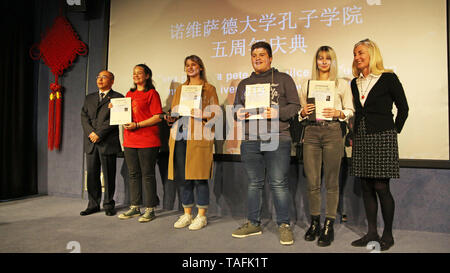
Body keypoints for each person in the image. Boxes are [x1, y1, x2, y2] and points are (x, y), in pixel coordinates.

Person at [231, 41, 300, 245]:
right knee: (254, 183)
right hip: (251, 139)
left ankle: (284, 225)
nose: (258, 58)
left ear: (270, 58)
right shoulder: (244, 83)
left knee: (278, 183)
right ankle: (253, 223)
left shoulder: (284, 79)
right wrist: (239, 113)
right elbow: (236, 109)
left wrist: (278, 112)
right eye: (254, 55)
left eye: (262, 55)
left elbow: (295, 106)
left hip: (277, 137)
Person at [349, 39, 408, 251]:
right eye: (355, 53)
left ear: (372, 54)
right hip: (362, 137)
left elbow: (404, 108)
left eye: (361, 52)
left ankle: (388, 234)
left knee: (381, 186)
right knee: (366, 186)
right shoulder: (354, 83)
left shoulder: (388, 78)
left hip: (383, 136)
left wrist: (393, 131)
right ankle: (371, 232)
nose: (357, 57)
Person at [299, 46, 354, 246]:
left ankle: (329, 225)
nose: (323, 62)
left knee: (331, 182)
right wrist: (303, 112)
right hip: (312, 132)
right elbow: (301, 112)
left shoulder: (341, 84)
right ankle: (315, 222)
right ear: (316, 61)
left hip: (332, 131)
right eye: (320, 58)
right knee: (312, 182)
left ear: (333, 61)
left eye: (327, 58)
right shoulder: (306, 84)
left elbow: (350, 110)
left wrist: (339, 113)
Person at [165, 55, 219, 231]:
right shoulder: (181, 89)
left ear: (200, 67)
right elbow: (174, 111)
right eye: (187, 65)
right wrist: (171, 116)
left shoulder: (209, 88)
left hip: (199, 136)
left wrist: (202, 114)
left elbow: (216, 113)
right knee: (184, 177)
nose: (190, 68)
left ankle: (201, 216)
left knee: (199, 177)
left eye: (193, 65)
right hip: (180, 135)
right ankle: (187, 213)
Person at [117, 64, 163, 223]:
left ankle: (150, 209)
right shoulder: (129, 94)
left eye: (139, 73)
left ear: (147, 76)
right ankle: (135, 207)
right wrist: (114, 109)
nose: (136, 75)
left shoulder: (152, 93)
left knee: (148, 175)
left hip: (148, 140)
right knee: (133, 174)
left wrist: (138, 125)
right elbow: (123, 114)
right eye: (134, 73)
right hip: (130, 140)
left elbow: (158, 116)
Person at [80, 70, 124, 216]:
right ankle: (93, 204)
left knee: (109, 174)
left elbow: (115, 120)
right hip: (91, 142)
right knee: (92, 175)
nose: (100, 79)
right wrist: (90, 133)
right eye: (98, 77)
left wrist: (99, 134)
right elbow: (84, 116)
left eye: (104, 77)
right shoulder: (89, 97)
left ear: (112, 81)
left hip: (107, 142)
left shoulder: (118, 97)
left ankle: (108, 204)